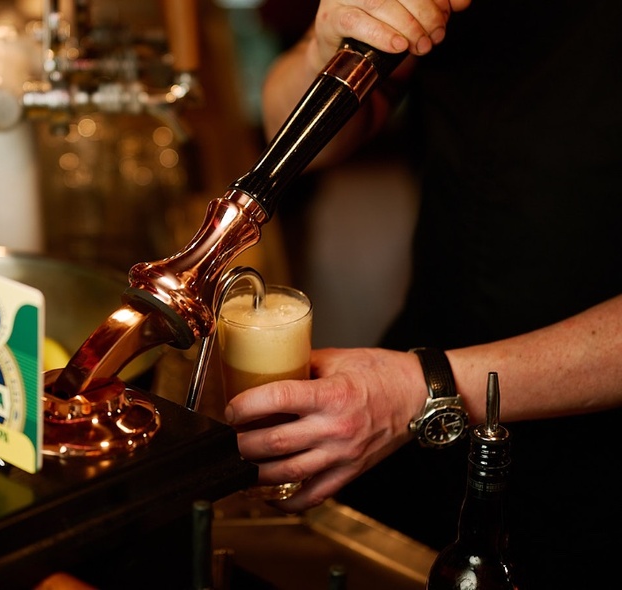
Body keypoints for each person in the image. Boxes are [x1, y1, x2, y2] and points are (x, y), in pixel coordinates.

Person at [224, 1, 622, 587]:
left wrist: (425, 390)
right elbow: (298, 126)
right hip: (425, 376)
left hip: (590, 456)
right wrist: (327, 43)